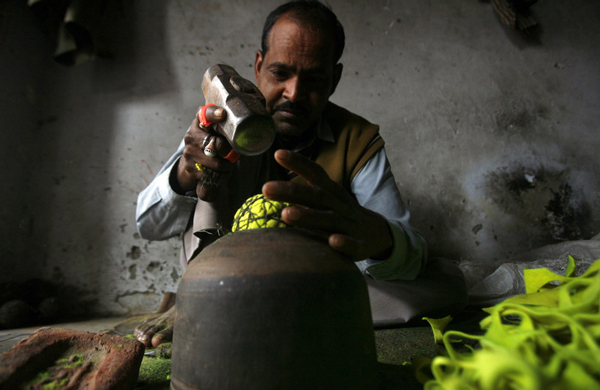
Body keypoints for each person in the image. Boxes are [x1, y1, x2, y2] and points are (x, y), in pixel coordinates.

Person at [135, 0, 467, 347]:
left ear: (334, 80)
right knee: (211, 171)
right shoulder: (223, 122)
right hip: (223, 273)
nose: (293, 94)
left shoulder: (356, 139)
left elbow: (410, 253)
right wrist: (185, 176)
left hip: (314, 281)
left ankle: (223, 309)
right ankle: (206, 294)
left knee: (448, 284)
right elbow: (148, 224)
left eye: (313, 79)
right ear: (259, 65)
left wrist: (374, 234)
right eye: (280, 74)